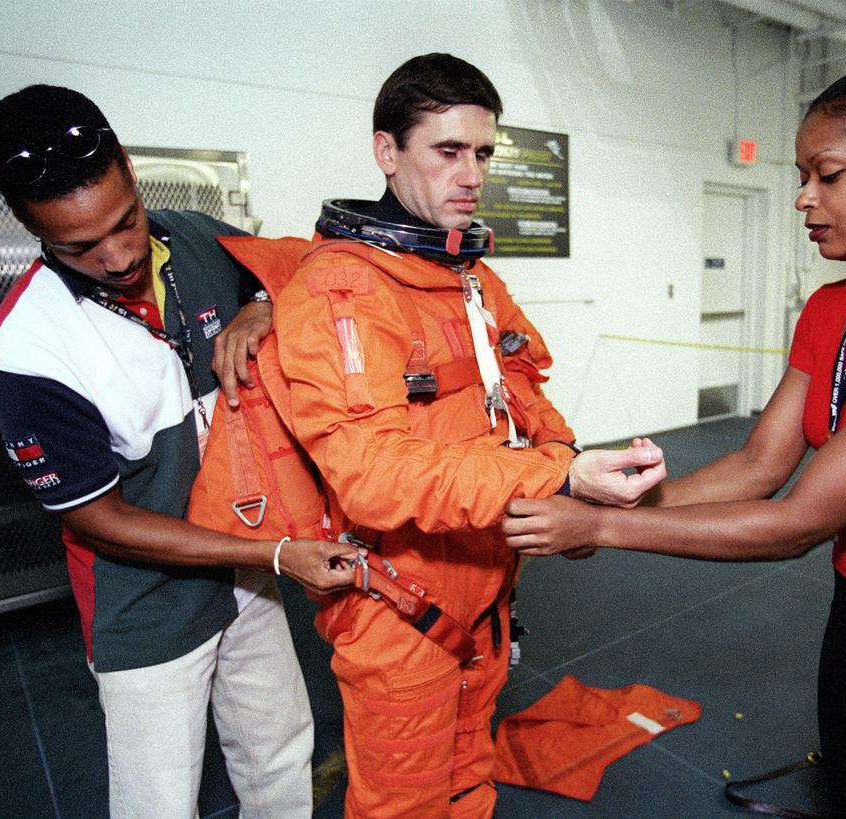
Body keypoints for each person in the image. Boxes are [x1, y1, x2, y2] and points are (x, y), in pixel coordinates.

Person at [503, 41, 846, 818]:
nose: (803, 197)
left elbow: (797, 521)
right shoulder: (832, 309)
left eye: (829, 174)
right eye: (801, 177)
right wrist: (624, 509)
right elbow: (759, 465)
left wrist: (593, 523)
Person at [270, 54, 663, 817]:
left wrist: (575, 476)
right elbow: (375, 475)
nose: (471, 173)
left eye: (482, 153)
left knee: (468, 784)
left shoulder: (471, 279)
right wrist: (558, 477)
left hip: (485, 596)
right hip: (401, 613)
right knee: (405, 804)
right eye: (447, 151)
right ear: (387, 152)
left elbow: (525, 397)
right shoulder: (341, 290)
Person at [0, 85, 355, 819]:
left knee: (280, 752)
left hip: (247, 566)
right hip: (143, 603)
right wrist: (278, 554)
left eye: (126, 222)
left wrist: (263, 306)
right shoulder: (25, 349)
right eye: (80, 246)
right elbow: (100, 519)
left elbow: (299, 274)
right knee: (159, 800)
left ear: (130, 173)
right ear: (28, 225)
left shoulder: (194, 239)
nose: (118, 256)